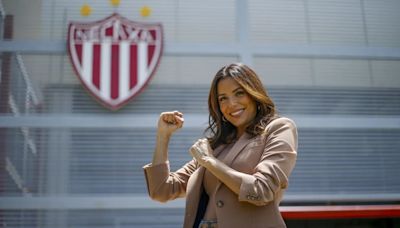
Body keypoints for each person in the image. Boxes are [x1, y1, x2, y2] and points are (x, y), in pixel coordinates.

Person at [143, 63, 298, 228]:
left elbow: (262, 190)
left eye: (239, 93)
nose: (231, 104)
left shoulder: (278, 128)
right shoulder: (216, 146)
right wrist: (163, 136)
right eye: (223, 98)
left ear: (254, 94)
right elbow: (161, 190)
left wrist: (210, 161)